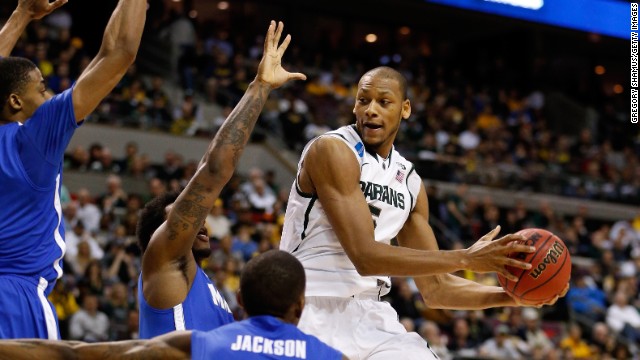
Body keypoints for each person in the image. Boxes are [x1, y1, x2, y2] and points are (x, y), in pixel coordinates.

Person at [279, 66, 567, 359]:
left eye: (383, 101)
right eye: (363, 100)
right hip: (309, 303)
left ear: (405, 109)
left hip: (369, 313)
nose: (371, 110)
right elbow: (364, 257)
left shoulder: (410, 183)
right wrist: (466, 257)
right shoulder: (333, 150)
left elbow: (436, 289)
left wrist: (515, 297)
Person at [135, 21, 306, 338]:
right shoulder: (164, 256)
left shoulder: (204, 287)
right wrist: (260, 86)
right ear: (160, 231)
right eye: (181, 212)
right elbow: (212, 171)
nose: (201, 220)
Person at [0, 0, 146, 339]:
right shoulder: (33, 139)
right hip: (16, 298)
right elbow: (120, 53)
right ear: (15, 102)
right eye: (40, 88)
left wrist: (22, 13)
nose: (48, 94)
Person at [0, 250, 347, 360]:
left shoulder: (201, 344)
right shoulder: (333, 357)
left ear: (239, 301)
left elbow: (74, 352)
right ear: (300, 306)